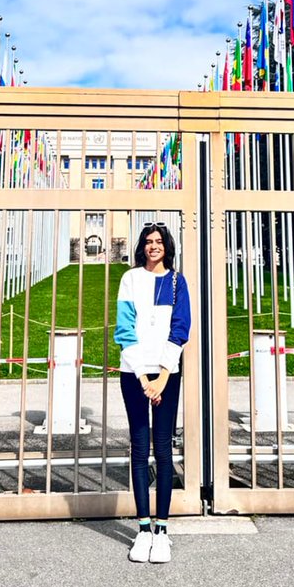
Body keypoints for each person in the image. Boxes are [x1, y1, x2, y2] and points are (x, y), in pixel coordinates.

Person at [114, 221, 191, 564]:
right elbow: (124, 327)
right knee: (139, 447)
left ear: (167, 246)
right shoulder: (130, 279)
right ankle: (143, 529)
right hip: (134, 374)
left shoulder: (176, 281)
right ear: (141, 247)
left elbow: (180, 327)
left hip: (166, 374)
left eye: (159, 241)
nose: (153, 246)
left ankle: (162, 530)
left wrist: (161, 375)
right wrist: (144, 378)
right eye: (148, 241)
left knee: (162, 449)